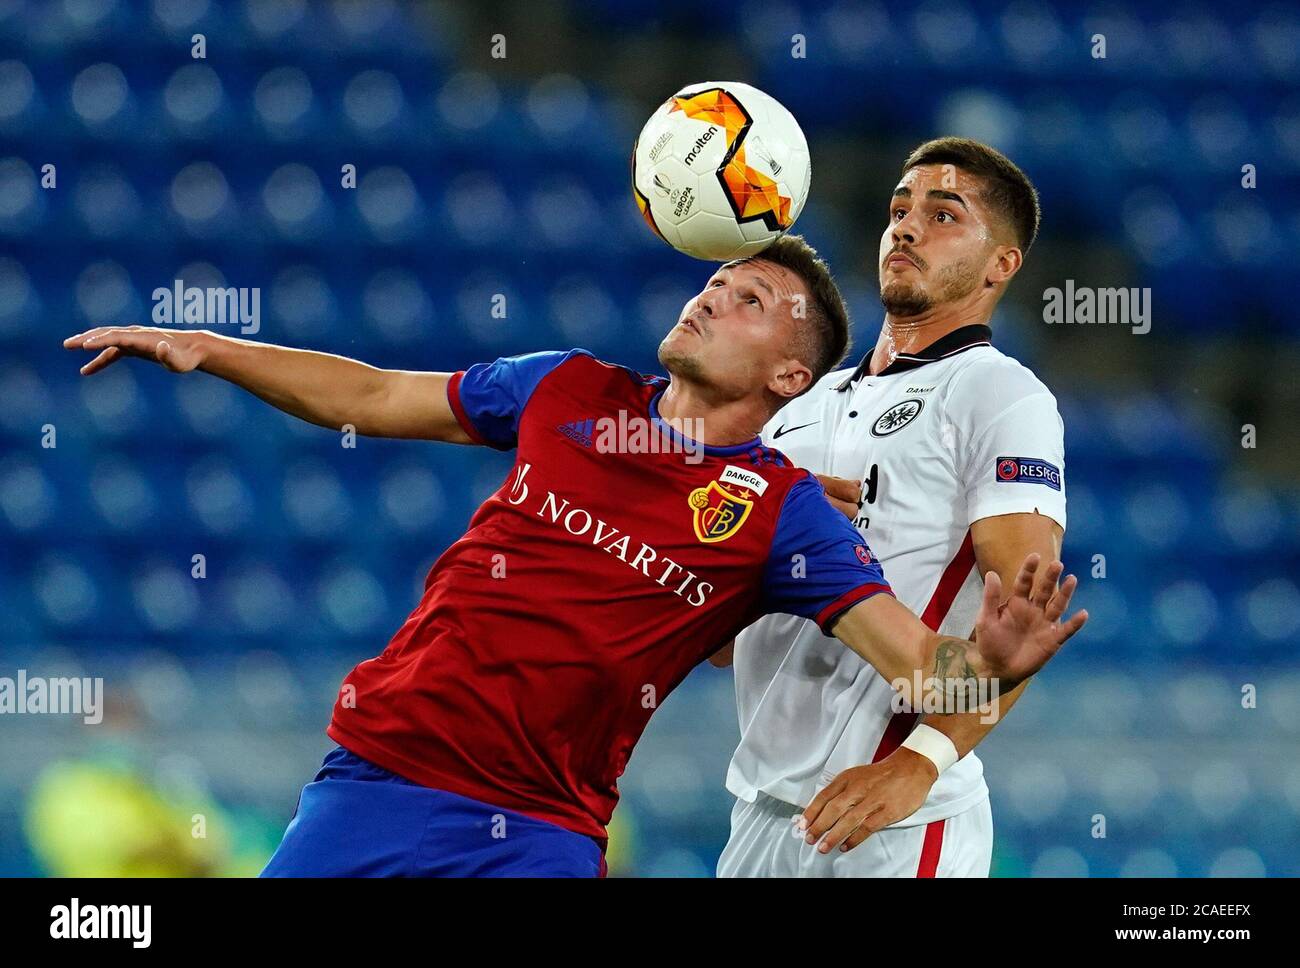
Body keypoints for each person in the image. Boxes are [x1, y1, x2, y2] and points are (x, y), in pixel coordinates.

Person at [64, 234, 1084, 877]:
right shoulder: (568, 388)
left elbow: (918, 666)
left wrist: (994, 658)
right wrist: (216, 350)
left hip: (543, 823)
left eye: (747, 300)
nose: (709, 298)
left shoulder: (781, 512)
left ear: (789, 372)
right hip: (383, 774)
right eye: (715, 282)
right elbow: (375, 395)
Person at [715, 139, 1070, 877]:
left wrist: (918, 765)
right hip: (759, 814)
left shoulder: (999, 395)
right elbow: (724, 645)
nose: (906, 228)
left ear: (1002, 264)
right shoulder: (799, 405)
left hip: (897, 825)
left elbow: (1021, 628)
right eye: (899, 210)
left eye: (944, 215)